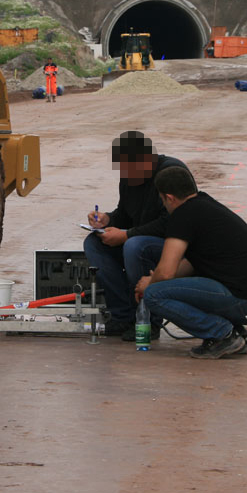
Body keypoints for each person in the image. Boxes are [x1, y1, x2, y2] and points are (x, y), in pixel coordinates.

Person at [135, 166, 247, 359]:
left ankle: (223, 335)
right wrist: (159, 278)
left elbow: (167, 272)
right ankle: (238, 336)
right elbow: (192, 264)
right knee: (173, 284)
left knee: (154, 295)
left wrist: (149, 283)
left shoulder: (182, 215)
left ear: (169, 198)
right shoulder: (204, 204)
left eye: (163, 200)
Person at [83, 131, 192, 340]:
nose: (123, 173)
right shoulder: (129, 180)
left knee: (135, 246)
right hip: (140, 238)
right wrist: (107, 220)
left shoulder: (170, 173)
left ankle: (148, 320)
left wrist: (126, 236)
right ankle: (123, 315)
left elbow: (173, 222)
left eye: (127, 167)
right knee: (94, 244)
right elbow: (125, 215)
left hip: (173, 247)